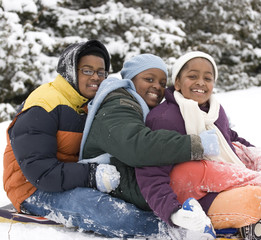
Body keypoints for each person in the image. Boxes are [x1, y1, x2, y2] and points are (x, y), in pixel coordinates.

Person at [3, 41, 206, 239]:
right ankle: (180, 233)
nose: (96, 77)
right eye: (88, 70)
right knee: (110, 213)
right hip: (32, 187)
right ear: (70, 69)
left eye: (101, 72)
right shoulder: (43, 105)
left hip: (71, 177)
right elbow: (40, 171)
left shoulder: (89, 101)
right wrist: (91, 174)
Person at [135, 51, 261, 239]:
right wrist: (174, 212)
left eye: (208, 78)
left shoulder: (214, 110)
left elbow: (231, 139)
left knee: (238, 149)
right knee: (258, 197)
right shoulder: (164, 118)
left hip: (222, 184)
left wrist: (260, 159)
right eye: (192, 76)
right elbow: (150, 173)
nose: (201, 82)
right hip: (192, 197)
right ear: (178, 82)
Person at [79, 53, 221, 239]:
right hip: (107, 181)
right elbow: (137, 146)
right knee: (178, 187)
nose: (157, 86)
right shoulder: (119, 104)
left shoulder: (143, 107)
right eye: (149, 79)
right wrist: (196, 145)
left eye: (162, 83)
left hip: (126, 177)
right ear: (130, 80)